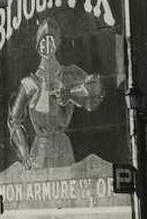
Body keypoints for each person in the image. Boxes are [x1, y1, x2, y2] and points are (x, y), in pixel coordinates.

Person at [7, 18, 105, 170]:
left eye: (51, 40)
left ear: (57, 44)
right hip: (40, 147)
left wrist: (71, 93)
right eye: (43, 41)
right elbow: (13, 120)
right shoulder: (29, 83)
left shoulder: (68, 74)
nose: (48, 45)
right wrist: (24, 152)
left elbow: (96, 89)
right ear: (38, 46)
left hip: (62, 145)